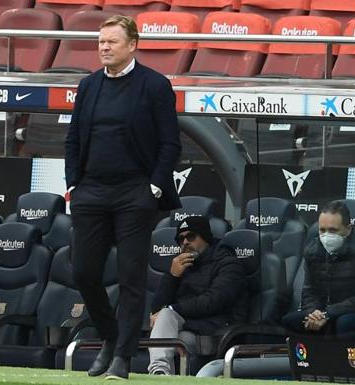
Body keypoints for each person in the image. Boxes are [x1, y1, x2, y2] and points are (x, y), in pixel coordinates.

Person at [65, 15, 181, 380]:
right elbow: (73, 140)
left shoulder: (155, 85)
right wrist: (73, 185)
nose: (104, 47)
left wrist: (154, 188)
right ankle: (111, 337)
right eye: (101, 41)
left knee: (131, 278)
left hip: (135, 191)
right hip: (91, 190)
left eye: (111, 41)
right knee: (84, 272)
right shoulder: (88, 86)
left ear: (132, 45)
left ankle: (123, 358)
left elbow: (170, 144)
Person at [147, 216, 248, 375]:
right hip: (188, 325)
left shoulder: (228, 263)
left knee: (169, 317)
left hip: (216, 329)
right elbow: (156, 311)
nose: (185, 242)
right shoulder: (182, 266)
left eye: (191, 236)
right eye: (181, 239)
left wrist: (173, 308)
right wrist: (172, 276)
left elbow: (212, 301)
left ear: (205, 237)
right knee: (165, 315)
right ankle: (160, 372)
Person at [282, 201, 355, 339]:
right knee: (291, 320)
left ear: (348, 229)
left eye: (333, 230)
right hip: (328, 311)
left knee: (344, 323)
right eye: (322, 230)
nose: (326, 236)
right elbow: (309, 291)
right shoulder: (313, 250)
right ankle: (306, 360)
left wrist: (327, 314)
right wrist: (314, 313)